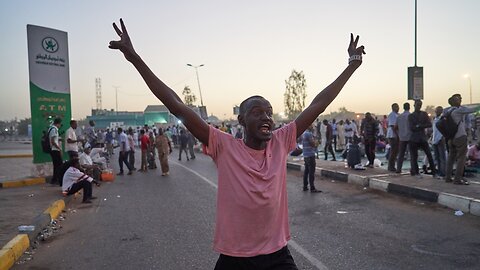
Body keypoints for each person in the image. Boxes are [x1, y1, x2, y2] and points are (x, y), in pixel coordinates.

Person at [109, 19, 365, 269]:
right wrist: (134, 58)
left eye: (269, 112)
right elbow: (177, 104)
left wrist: (352, 66)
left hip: (277, 255)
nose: (266, 117)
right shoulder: (224, 145)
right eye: (257, 112)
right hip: (235, 258)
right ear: (241, 120)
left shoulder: (281, 140)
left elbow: (318, 104)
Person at [445, 94, 480, 185]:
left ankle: (448, 177)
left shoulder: (447, 111)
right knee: (461, 158)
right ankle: (457, 179)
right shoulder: (458, 110)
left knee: (451, 158)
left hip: (450, 138)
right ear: (454, 102)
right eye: (458, 99)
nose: (460, 100)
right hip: (460, 137)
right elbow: (472, 110)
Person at [408, 99, 437, 178]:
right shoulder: (411, 116)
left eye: (420, 105)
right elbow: (412, 128)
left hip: (422, 137)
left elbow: (429, 124)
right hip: (414, 138)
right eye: (417, 105)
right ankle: (416, 172)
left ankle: (434, 172)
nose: (419, 106)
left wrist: (419, 126)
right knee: (414, 157)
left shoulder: (424, 114)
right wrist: (421, 126)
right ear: (414, 105)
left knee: (429, 155)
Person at [302, 125, 322, 193]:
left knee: (306, 171)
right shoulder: (309, 134)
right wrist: (317, 143)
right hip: (310, 155)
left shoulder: (304, 133)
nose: (312, 127)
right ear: (309, 126)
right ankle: (312, 188)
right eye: (311, 125)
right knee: (311, 172)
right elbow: (312, 144)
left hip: (305, 155)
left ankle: (305, 186)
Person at [395, 102, 411, 174]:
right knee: (412, 154)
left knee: (401, 154)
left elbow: (395, 127)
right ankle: (413, 169)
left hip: (401, 137)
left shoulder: (399, 117)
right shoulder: (411, 116)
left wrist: (399, 133)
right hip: (410, 137)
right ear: (409, 107)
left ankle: (399, 169)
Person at [432, 106, 446, 177]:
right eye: (436, 110)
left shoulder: (443, 119)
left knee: (442, 157)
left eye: (438, 110)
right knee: (437, 157)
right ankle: (439, 170)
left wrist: (442, 137)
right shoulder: (434, 119)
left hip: (440, 139)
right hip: (434, 139)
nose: (437, 112)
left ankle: (443, 172)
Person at [49, 117, 63, 185]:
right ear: (58, 123)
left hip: (54, 150)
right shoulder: (54, 129)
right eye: (60, 124)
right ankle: (57, 179)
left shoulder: (51, 128)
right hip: (55, 150)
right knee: (59, 165)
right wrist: (59, 148)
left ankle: (54, 180)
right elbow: (52, 141)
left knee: (56, 165)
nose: (60, 125)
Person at [386, 103, 399, 172]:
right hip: (392, 135)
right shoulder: (392, 115)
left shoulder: (397, 115)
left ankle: (392, 165)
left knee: (395, 151)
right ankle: (391, 166)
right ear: (393, 108)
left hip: (395, 134)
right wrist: (397, 135)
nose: (398, 108)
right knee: (393, 151)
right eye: (396, 107)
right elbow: (392, 126)